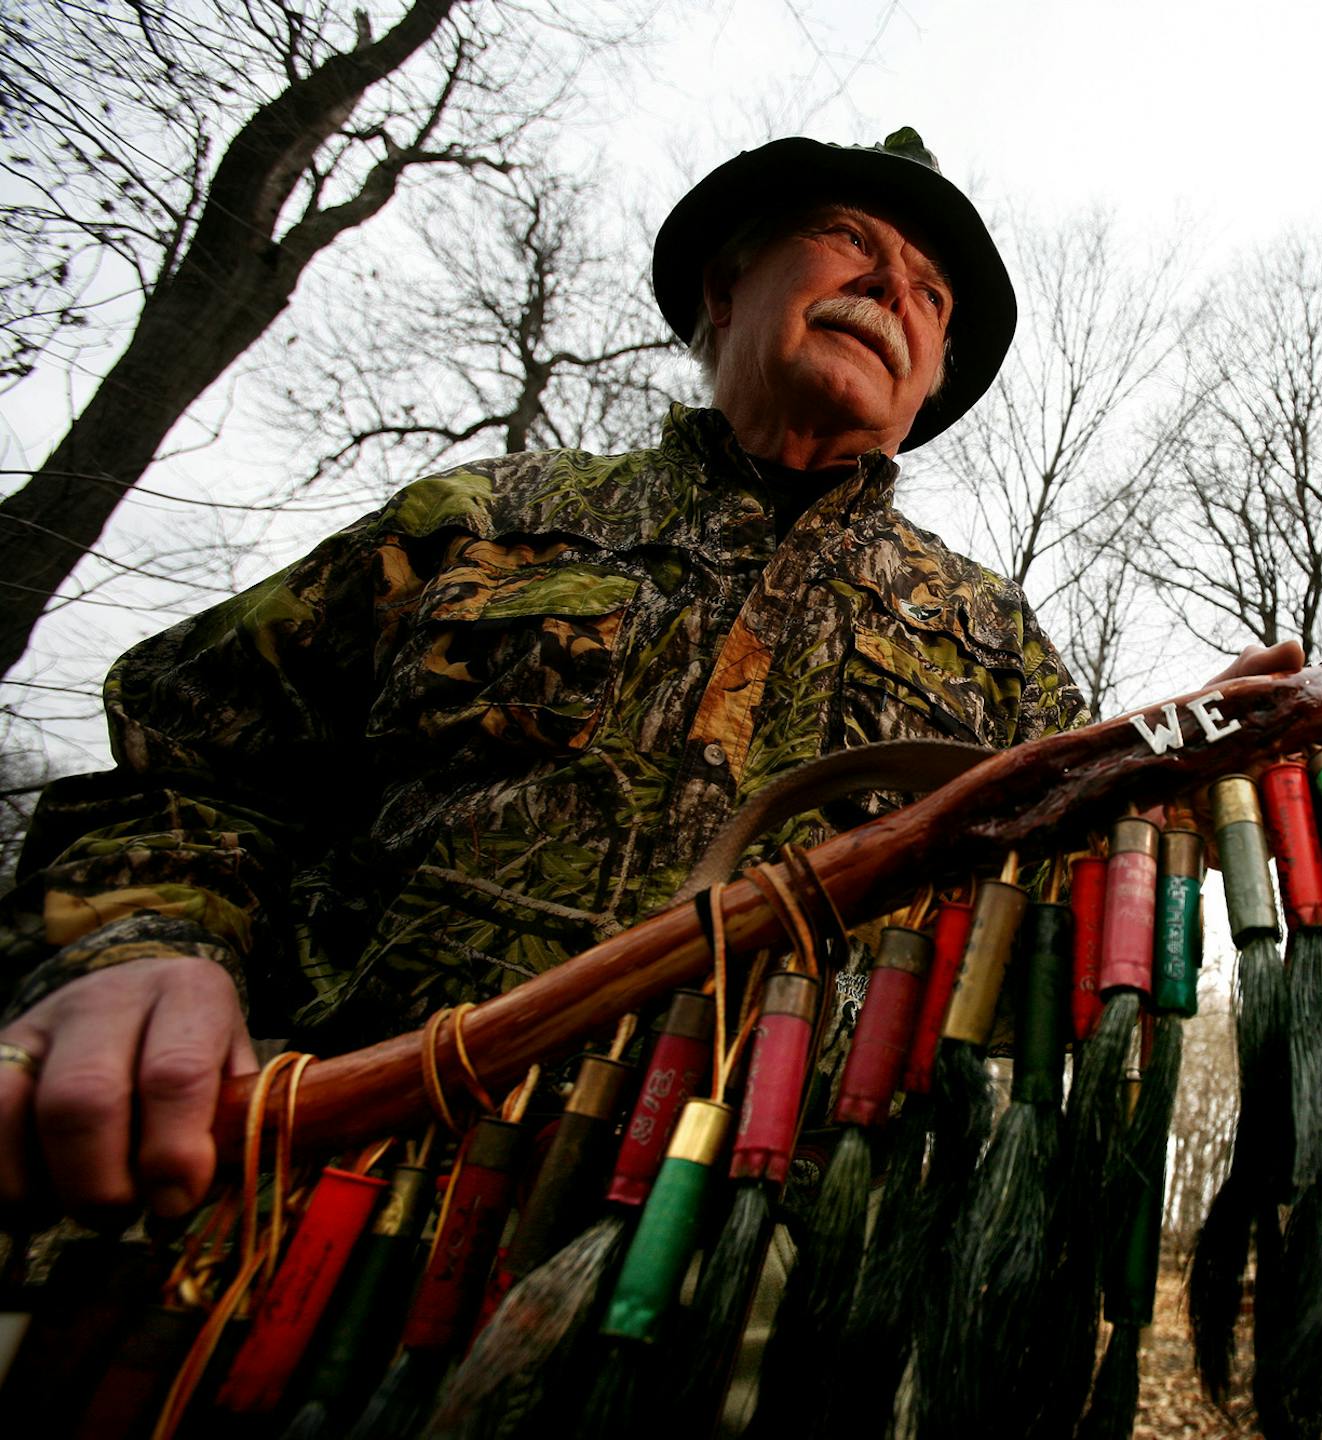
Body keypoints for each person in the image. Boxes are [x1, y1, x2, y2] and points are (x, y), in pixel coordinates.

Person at [0, 128, 1166, 1226]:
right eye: (854, 240)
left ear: (925, 396)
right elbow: (191, 768)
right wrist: (144, 946)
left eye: (931, 293)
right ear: (726, 290)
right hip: (321, 1200)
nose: (891, 290)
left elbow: (1062, 949)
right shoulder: (481, 521)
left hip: (761, 1266)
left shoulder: (999, 644)